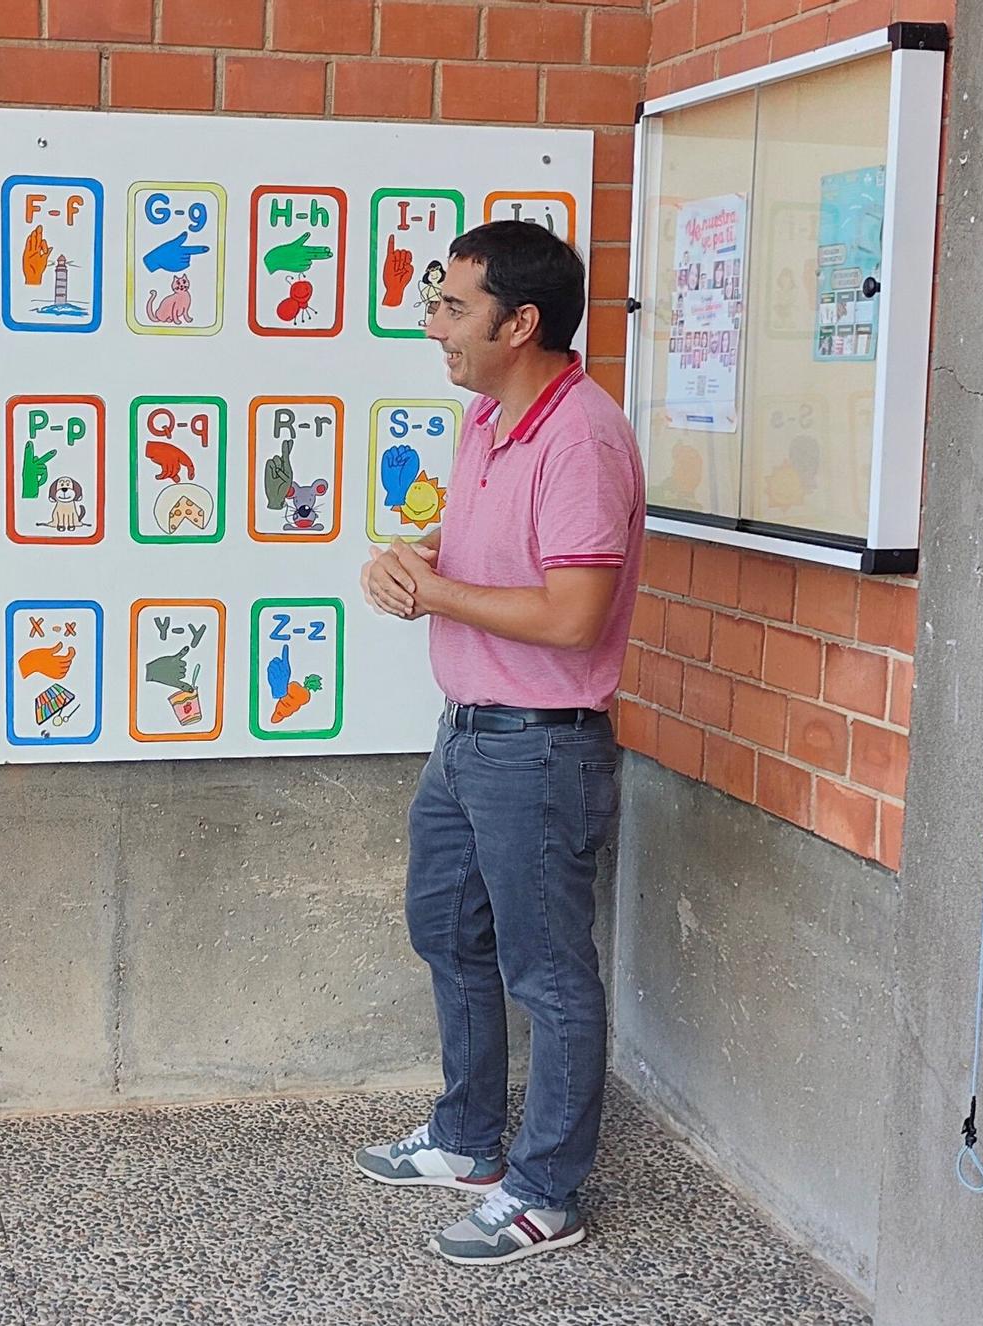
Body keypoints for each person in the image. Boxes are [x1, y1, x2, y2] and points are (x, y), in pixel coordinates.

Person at [353, 221, 645, 1267]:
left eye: (451, 307)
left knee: (548, 975)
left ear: (519, 323)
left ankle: (545, 1192)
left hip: (539, 747)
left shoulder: (580, 437)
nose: (431, 323)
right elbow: (493, 557)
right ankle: (470, 1141)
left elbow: (571, 615)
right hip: (466, 732)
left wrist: (435, 591)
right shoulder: (484, 419)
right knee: (446, 932)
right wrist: (414, 563)